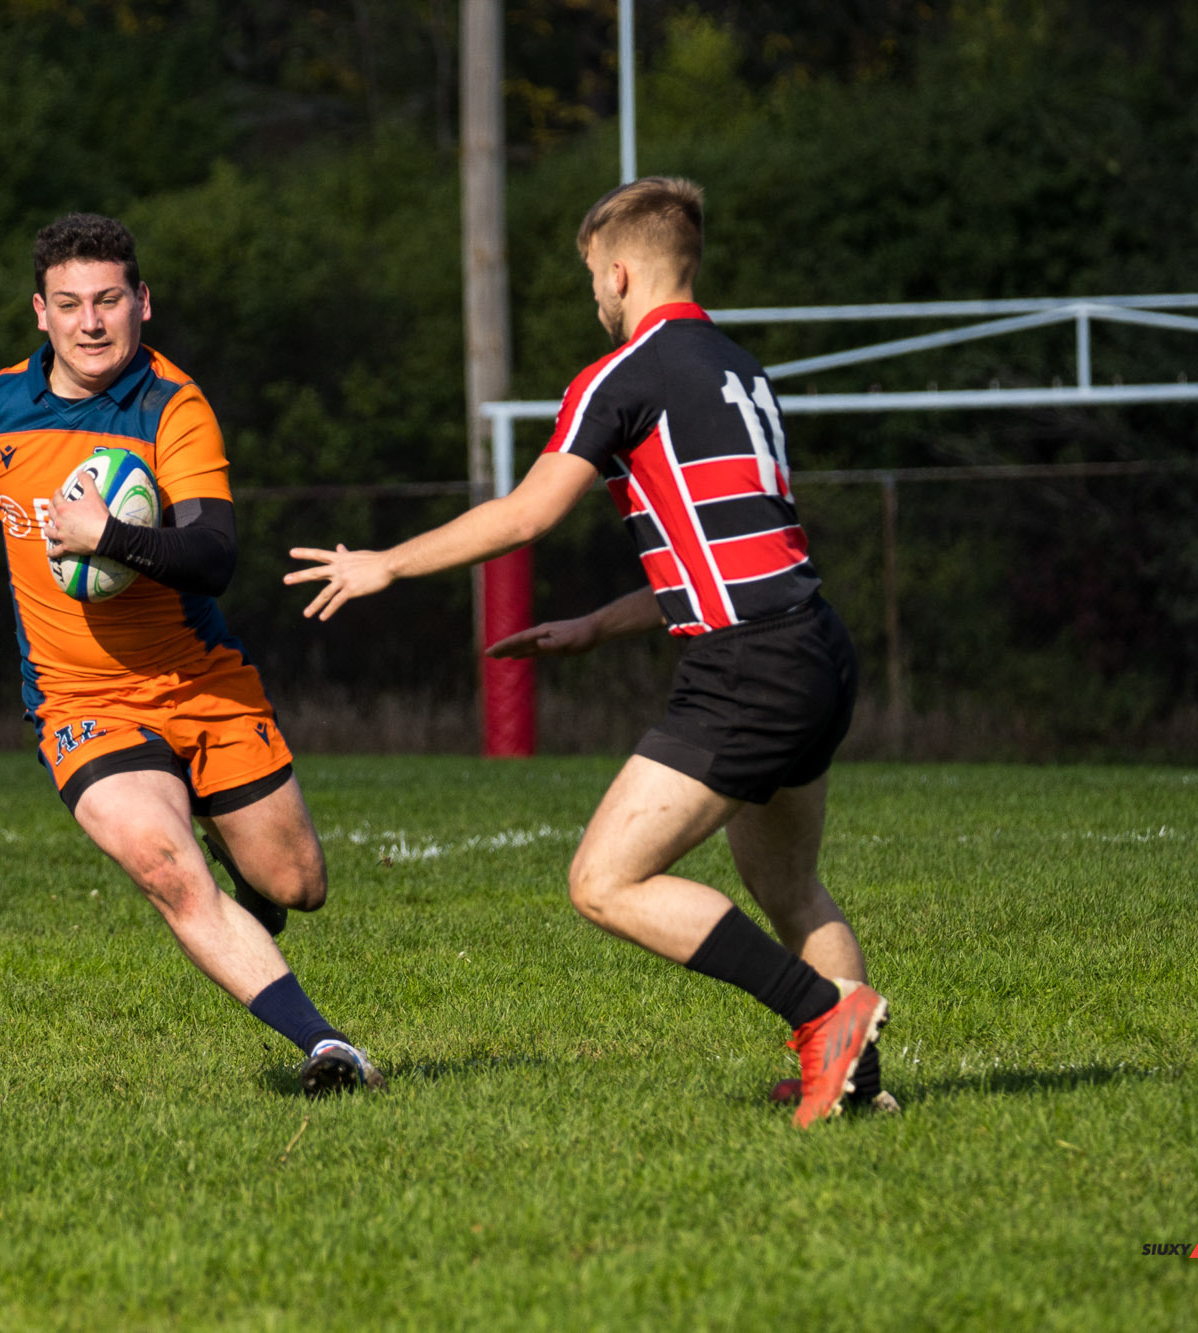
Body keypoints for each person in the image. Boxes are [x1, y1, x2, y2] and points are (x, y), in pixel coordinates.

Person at [284, 178, 892, 1125]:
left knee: (605, 880)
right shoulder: (741, 371)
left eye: (592, 284)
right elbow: (729, 549)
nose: (596, 303)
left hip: (747, 666)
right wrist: (594, 626)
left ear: (618, 272)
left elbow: (526, 513)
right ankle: (858, 1086)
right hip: (814, 647)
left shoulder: (623, 374)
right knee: (787, 884)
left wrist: (387, 565)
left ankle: (826, 1019)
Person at [0, 212, 383, 1095]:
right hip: (78, 698)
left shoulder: (172, 406)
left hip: (198, 679)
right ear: (39, 312)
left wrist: (110, 536)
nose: (90, 323)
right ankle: (327, 1046)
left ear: (143, 302)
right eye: (69, 304)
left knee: (296, 884)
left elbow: (214, 556)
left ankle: (248, 902)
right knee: (167, 867)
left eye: (108, 300)